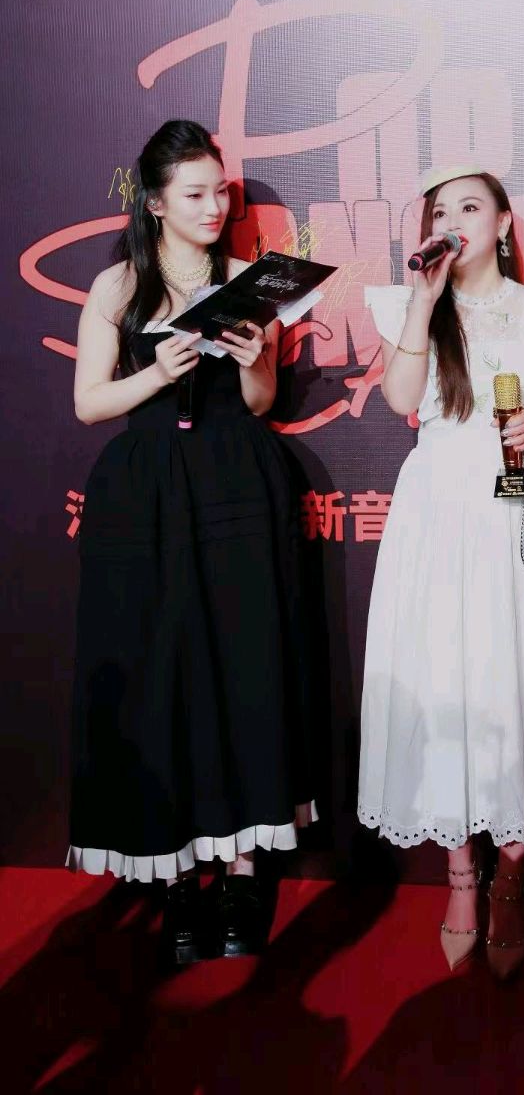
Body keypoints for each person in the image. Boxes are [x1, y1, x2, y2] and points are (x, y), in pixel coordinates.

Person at [69, 120, 324, 964]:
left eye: (221, 191)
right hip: (144, 493)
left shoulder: (251, 281)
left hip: (236, 484)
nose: (215, 206)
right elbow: (89, 403)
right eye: (195, 193)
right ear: (154, 203)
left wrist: (253, 358)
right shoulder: (117, 285)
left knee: (245, 661)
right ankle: (178, 873)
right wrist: (157, 371)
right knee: (160, 668)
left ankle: (245, 870)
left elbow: (259, 402)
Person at [358, 165, 524, 979]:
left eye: (470, 207)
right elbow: (402, 398)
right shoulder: (412, 307)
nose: (454, 221)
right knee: (447, 682)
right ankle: (460, 876)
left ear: (504, 224)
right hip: (437, 512)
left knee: (519, 678)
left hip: (521, 509)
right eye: (440, 211)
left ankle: (512, 870)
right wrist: (424, 302)